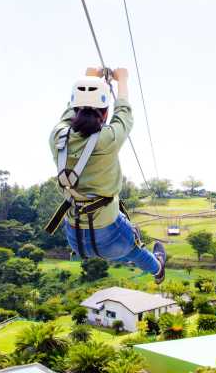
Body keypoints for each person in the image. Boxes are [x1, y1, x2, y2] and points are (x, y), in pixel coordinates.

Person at [45, 66, 166, 284]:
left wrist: (89, 78)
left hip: (76, 239)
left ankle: (139, 256)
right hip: (110, 235)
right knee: (133, 249)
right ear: (104, 112)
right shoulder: (107, 139)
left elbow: (69, 113)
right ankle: (157, 268)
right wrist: (123, 80)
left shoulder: (57, 137)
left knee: (124, 247)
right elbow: (124, 115)